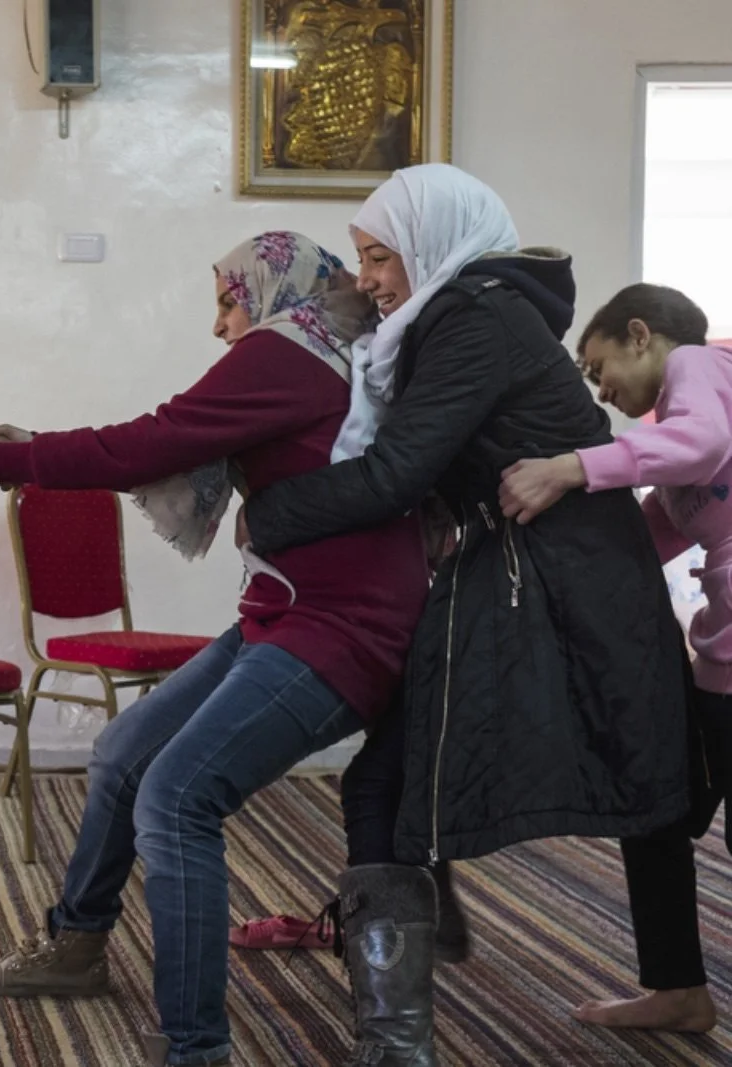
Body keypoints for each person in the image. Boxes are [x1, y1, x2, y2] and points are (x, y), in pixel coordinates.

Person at [0, 231, 432, 1067]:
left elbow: (155, 439)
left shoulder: (288, 351)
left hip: (338, 629)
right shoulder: (324, 348)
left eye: (228, 299)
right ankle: (78, 944)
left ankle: (195, 1047)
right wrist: (32, 451)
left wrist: (7, 459)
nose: (219, 324)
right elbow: (175, 441)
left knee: (174, 797)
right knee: (126, 750)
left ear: (272, 292)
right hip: (290, 612)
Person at [233, 165, 692, 1064]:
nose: (366, 278)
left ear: (432, 245)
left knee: (645, 771)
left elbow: (396, 473)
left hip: (563, 581)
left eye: (378, 256)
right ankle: (426, 962)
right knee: (630, 769)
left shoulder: (474, 318)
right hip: (536, 568)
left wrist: (268, 515)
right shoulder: (463, 313)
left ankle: (405, 1021)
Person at [500, 283, 729, 1034]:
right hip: (721, 658)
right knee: (653, 798)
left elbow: (701, 444)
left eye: (601, 368)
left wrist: (570, 465)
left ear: (641, 334)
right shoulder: (673, 451)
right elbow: (641, 537)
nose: (602, 390)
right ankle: (677, 989)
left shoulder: (700, 365)